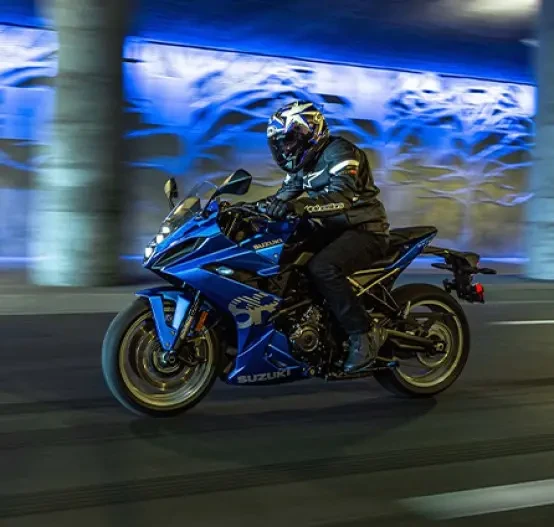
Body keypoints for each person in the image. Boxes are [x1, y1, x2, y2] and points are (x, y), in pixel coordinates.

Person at [264, 100, 390, 372]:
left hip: (364, 229)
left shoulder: (341, 152)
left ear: (310, 132)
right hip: (332, 229)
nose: (285, 148)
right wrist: (247, 210)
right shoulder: (302, 164)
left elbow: (342, 198)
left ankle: (363, 334)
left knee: (323, 267)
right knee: (284, 258)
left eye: (289, 140)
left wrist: (297, 206)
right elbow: (281, 198)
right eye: (280, 144)